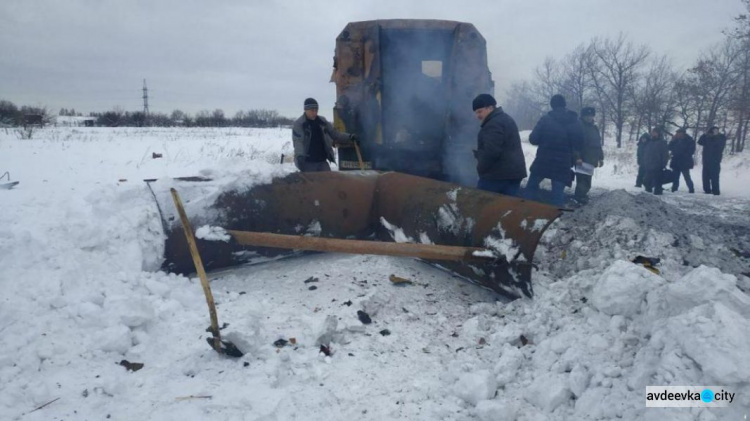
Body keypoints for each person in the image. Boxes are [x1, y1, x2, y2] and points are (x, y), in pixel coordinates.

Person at [526, 94, 584, 207]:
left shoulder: (545, 119)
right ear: (564, 104)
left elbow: (533, 139)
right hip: (563, 162)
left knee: (531, 187)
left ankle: (525, 211)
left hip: (544, 159)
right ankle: (555, 218)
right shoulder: (575, 122)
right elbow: (580, 143)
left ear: (552, 105)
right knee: (558, 193)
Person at [471, 94, 527, 196]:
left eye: (480, 111)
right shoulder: (506, 119)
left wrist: (480, 166)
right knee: (506, 208)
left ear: (490, 108)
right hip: (513, 174)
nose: (477, 116)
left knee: (480, 204)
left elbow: (491, 152)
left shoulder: (493, 124)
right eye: (476, 112)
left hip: (497, 176)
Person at [292, 98, 356, 172]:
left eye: (316, 110)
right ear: (305, 110)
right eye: (312, 110)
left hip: (322, 161)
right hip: (308, 162)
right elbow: (298, 142)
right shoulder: (299, 124)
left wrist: (350, 137)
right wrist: (300, 156)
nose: (314, 113)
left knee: (329, 182)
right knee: (311, 183)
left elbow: (335, 134)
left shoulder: (322, 121)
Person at [573, 107, 604, 204]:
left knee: (587, 180)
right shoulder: (579, 126)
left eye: (591, 116)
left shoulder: (594, 128)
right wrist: (577, 157)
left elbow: (598, 144)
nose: (589, 118)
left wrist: (601, 157)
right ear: (583, 116)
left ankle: (582, 195)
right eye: (587, 116)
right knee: (582, 180)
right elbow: (575, 144)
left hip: (592, 158)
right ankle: (579, 197)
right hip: (582, 158)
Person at [697, 126, 727, 195]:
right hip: (706, 160)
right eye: (714, 130)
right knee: (705, 176)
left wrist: (714, 137)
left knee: (715, 176)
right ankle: (707, 190)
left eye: (717, 130)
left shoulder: (721, 137)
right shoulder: (707, 137)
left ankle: (716, 191)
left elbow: (720, 145)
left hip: (715, 160)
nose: (715, 131)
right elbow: (700, 142)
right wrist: (705, 134)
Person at [642, 127, 669, 195]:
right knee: (646, 180)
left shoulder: (662, 142)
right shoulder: (649, 142)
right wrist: (645, 161)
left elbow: (665, 154)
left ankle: (658, 193)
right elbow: (646, 153)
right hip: (649, 164)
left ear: (658, 133)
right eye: (652, 132)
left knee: (658, 181)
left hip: (658, 165)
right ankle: (648, 192)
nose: (653, 133)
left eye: (654, 132)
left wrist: (663, 163)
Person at [668, 128, 696, 193]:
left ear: (683, 133)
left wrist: (682, 153)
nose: (677, 134)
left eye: (679, 133)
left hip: (685, 161)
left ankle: (691, 189)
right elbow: (669, 147)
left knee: (687, 177)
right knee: (675, 176)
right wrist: (672, 141)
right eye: (677, 133)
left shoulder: (689, 140)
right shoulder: (675, 140)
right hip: (676, 161)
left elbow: (691, 151)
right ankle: (674, 189)